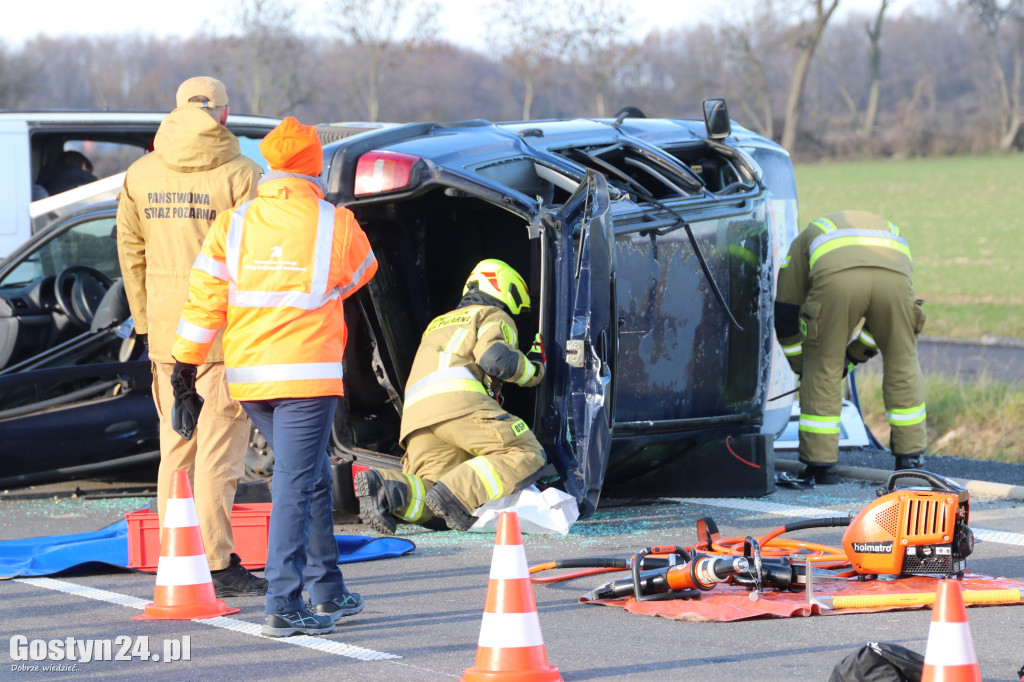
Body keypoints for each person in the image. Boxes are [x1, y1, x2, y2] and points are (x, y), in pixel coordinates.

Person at [171, 116, 377, 637]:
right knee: (294, 485)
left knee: (303, 478)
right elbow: (360, 274)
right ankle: (283, 603)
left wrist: (184, 369)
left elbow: (203, 302)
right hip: (307, 377)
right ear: (315, 168)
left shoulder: (234, 223)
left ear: (269, 166)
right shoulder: (336, 223)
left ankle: (327, 590)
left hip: (250, 379)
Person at [116, 76, 266, 596]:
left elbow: (130, 254)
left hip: (166, 334)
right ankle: (217, 561)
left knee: (177, 447)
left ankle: (174, 556)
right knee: (218, 454)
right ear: (224, 115)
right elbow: (256, 260)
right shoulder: (243, 173)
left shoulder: (140, 173)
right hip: (225, 334)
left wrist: (143, 320)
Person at [355, 259, 547, 534]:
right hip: (458, 403)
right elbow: (496, 360)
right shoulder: (492, 314)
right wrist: (535, 369)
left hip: (415, 418)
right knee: (524, 451)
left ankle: (385, 488)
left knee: (433, 495)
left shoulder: (437, 323)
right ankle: (457, 492)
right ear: (509, 290)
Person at [774, 210, 928, 484]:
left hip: (836, 281)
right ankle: (911, 459)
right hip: (893, 276)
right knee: (902, 359)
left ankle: (821, 466)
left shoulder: (808, 236)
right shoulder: (890, 229)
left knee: (823, 366)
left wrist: (804, 367)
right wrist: (854, 354)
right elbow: (882, 325)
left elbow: (786, 311)